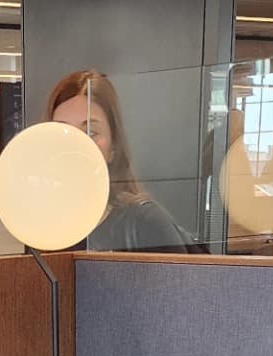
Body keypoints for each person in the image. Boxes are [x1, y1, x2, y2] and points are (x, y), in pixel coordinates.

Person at [46, 70, 190, 253]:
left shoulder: (146, 224)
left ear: (113, 147)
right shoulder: (41, 225)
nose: (76, 146)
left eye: (91, 132)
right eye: (62, 133)